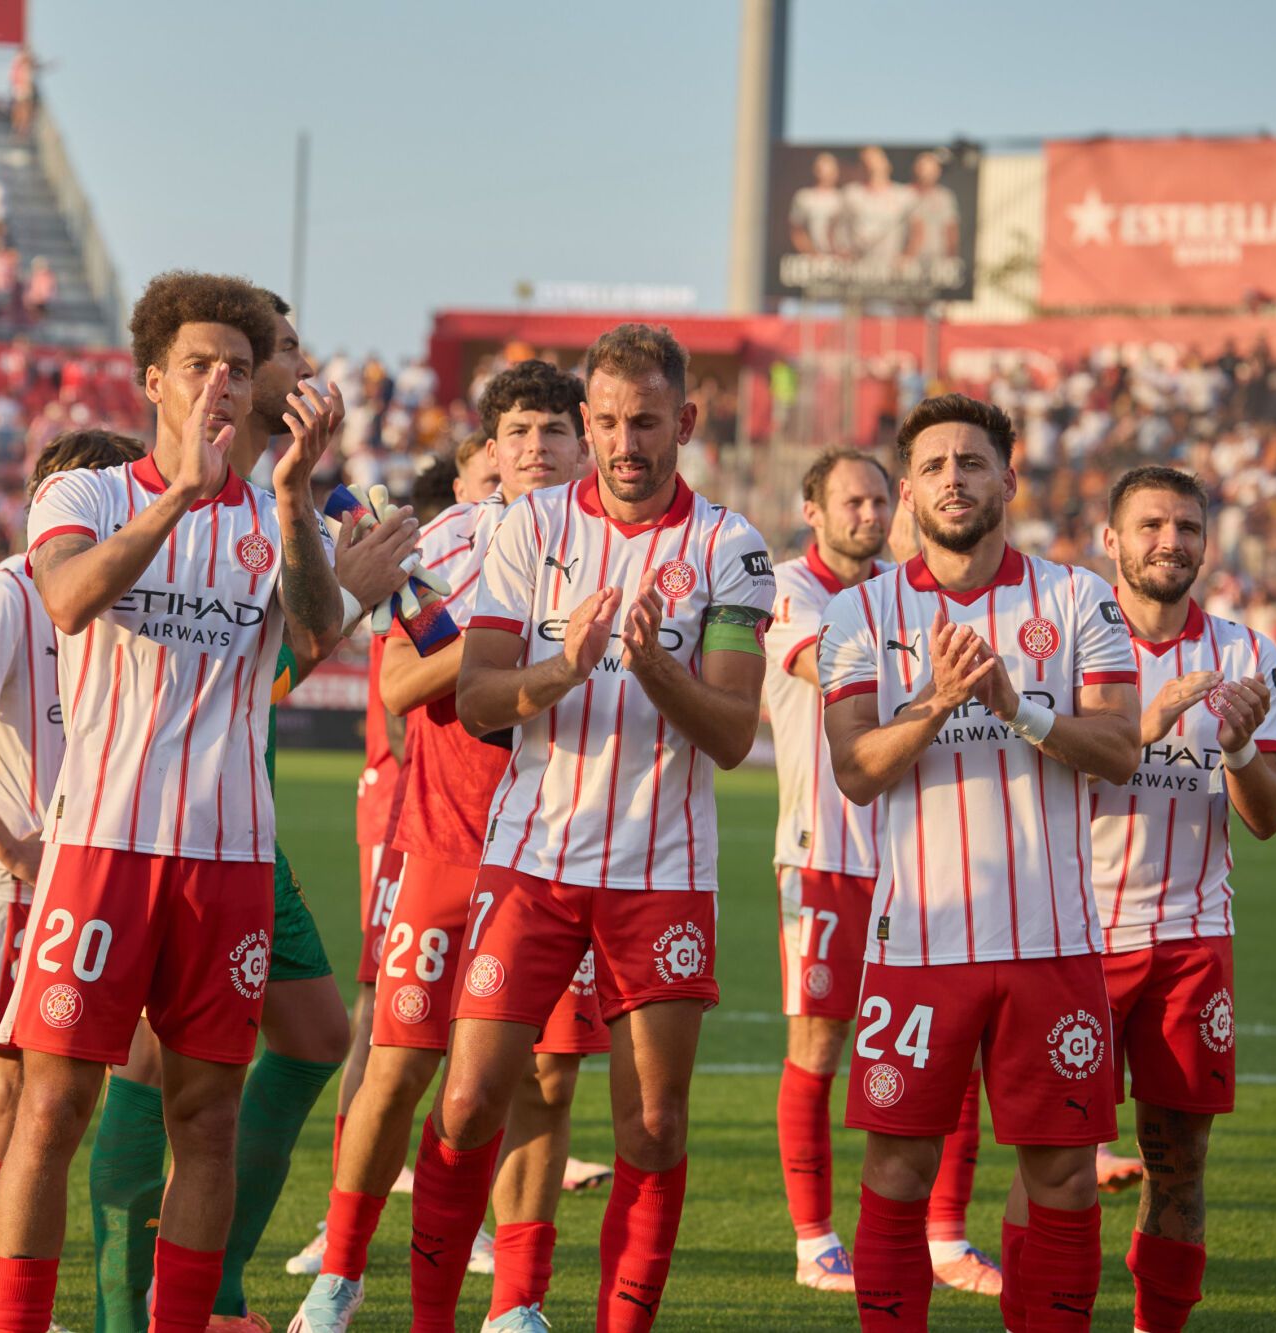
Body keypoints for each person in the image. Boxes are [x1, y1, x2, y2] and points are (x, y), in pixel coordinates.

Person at [0, 272, 341, 1333]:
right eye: (198, 365)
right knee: (52, 1108)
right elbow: (66, 596)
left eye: (237, 367)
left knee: (208, 1118)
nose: (219, 384)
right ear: (153, 379)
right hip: (101, 848)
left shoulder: (279, 511)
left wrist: (292, 499)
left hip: (228, 862)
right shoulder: (86, 495)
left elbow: (315, 633)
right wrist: (178, 496)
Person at [404, 325, 774, 1333]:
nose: (623, 443)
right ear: (586, 421)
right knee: (468, 1101)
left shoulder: (728, 546)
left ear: (683, 421)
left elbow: (733, 733)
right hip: (531, 861)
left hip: (662, 871)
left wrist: (653, 667)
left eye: (644, 421)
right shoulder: (530, 528)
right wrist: (565, 666)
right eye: (605, 422)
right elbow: (476, 697)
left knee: (651, 1124)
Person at [85, 288, 413, 1333]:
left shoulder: (300, 501)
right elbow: (249, 668)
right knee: (149, 1066)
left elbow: (289, 650)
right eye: (282, 350)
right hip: (161, 822)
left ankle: (200, 1291)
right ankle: (136, 1304)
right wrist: (339, 603)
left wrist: (343, 587)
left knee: (313, 1038)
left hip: (242, 826)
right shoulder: (197, 498)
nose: (299, 367)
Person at [291, 361, 617, 1333]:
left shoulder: (624, 550)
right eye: (516, 432)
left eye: (552, 431)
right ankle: (338, 1276)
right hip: (446, 841)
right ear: (492, 449)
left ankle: (514, 1302)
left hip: (565, 849)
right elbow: (397, 687)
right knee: (398, 1064)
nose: (535, 448)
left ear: (584, 444)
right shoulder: (442, 544)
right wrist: (495, 652)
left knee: (543, 1080)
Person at [817, 392, 1140, 1332]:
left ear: (1010, 477)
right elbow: (855, 770)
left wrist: (1016, 707)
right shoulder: (858, 611)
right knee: (897, 1168)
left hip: (1053, 943)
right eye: (932, 466)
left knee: (1064, 1174)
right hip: (918, 947)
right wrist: (934, 702)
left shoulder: (1078, 598)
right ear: (909, 492)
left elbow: (1120, 749)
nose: (952, 479)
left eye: (971, 462)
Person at [0, 430, 144, 1333]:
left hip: (86, 874)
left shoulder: (126, 590)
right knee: (16, 1088)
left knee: (62, 1093)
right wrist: (14, 850)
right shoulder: (8, 591)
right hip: (10, 880)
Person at [763, 448, 1001, 1297]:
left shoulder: (904, 595)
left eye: (878, 501)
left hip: (920, 859)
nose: (869, 515)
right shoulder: (789, 589)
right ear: (813, 511)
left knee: (953, 1046)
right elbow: (837, 670)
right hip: (825, 854)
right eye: (851, 502)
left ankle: (947, 1236)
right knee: (818, 1045)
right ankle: (815, 1239)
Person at [1088, 466, 1276, 1332]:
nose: (1170, 541)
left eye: (1187, 528)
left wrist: (1239, 748)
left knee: (1181, 1164)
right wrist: (1141, 729)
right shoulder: (1070, 639)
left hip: (1192, 939)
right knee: (1057, 1163)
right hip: (1077, 935)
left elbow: (1268, 817)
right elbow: (1041, 778)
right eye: (1151, 525)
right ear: (1111, 539)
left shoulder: (1249, 654)